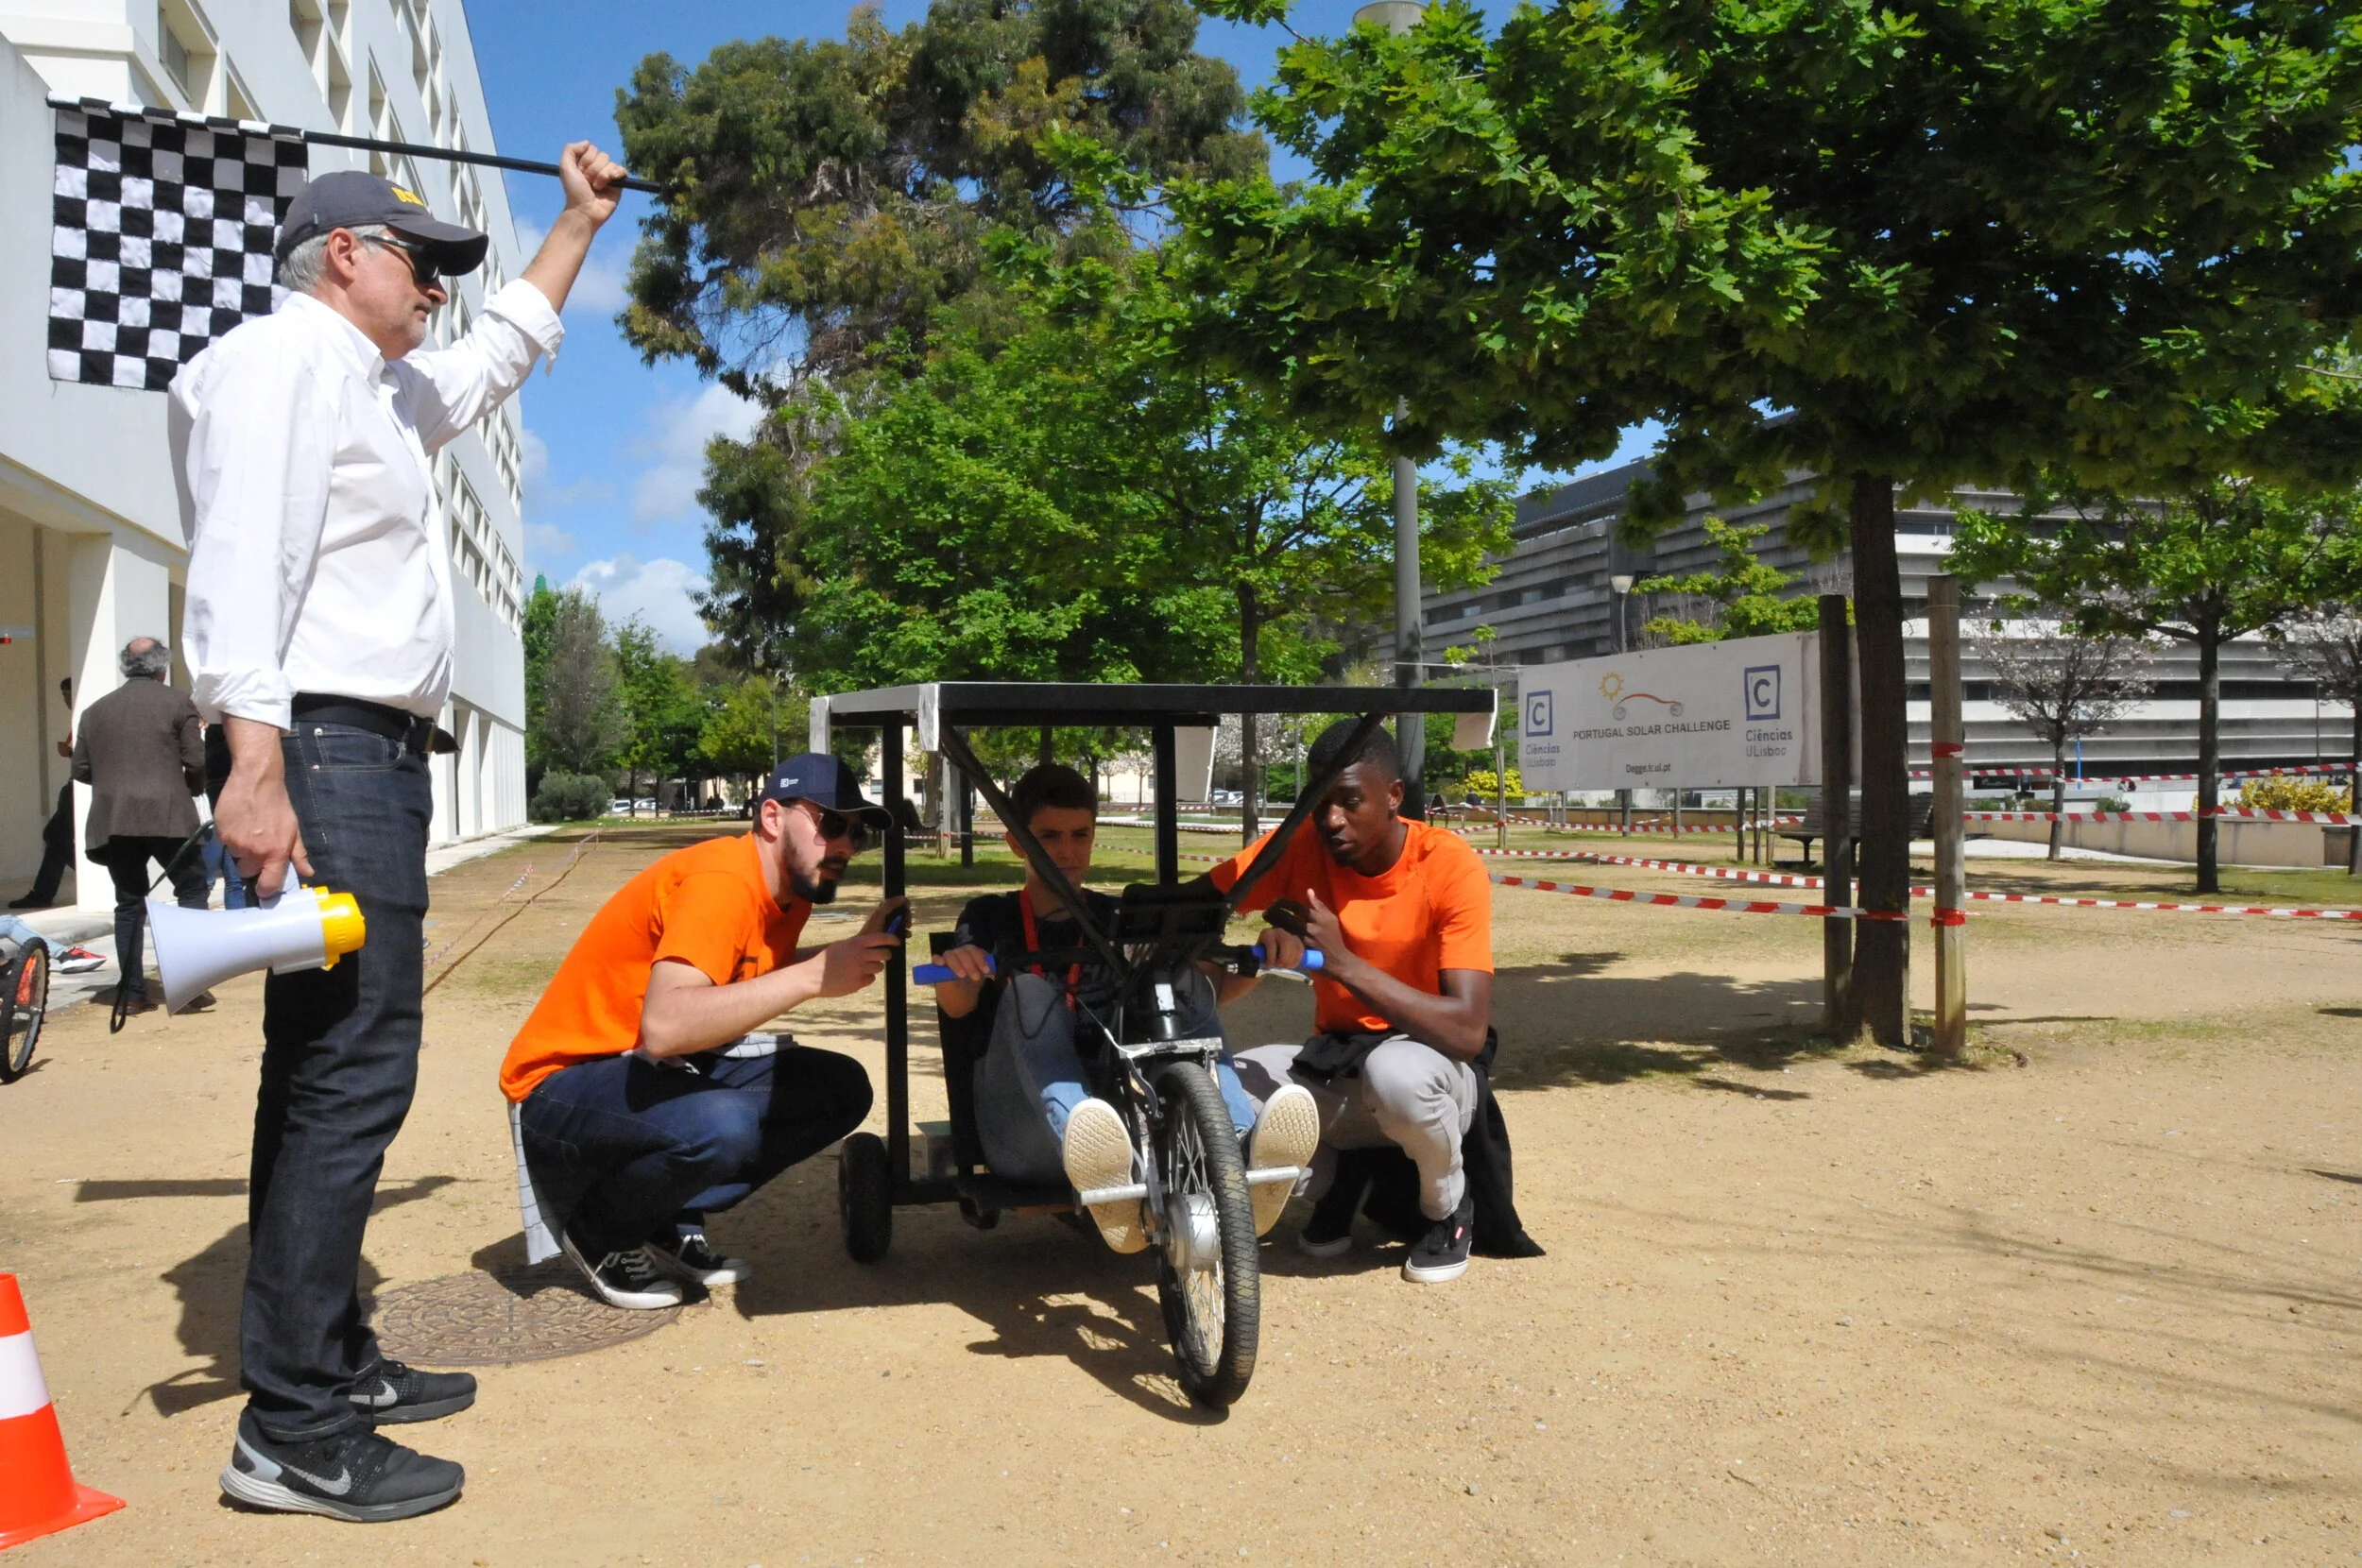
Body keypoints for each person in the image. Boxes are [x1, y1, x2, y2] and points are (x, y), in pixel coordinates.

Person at [181, 149, 626, 1524]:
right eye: (415, 258)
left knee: (324, 1067)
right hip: (317, 745)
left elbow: (502, 356)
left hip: (352, 749)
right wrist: (250, 757)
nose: (437, 283)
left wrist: (574, 225)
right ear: (339, 258)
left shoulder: (368, 383)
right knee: (352, 1078)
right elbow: (242, 556)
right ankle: (295, 1427)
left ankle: (323, 1366)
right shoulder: (281, 362)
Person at [502, 754, 896, 1307]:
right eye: (832, 823)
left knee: (838, 1088)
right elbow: (665, 1028)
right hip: (565, 1085)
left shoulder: (786, 891)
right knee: (722, 1122)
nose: (847, 846)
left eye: (858, 832)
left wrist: (842, 953)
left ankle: (657, 1212)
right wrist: (813, 978)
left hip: (652, 1071)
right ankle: (600, 1231)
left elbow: (740, 972)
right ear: (773, 817)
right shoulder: (722, 884)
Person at [933, 764, 1318, 1252]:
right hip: (1023, 1135)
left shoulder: (1115, 918)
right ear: (1016, 843)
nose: (1067, 851)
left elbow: (1207, 995)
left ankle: (1235, 1149)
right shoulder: (990, 916)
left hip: (1129, 1128)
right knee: (1029, 990)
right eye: (1049, 836)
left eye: (1080, 835)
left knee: (1183, 974)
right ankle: (1093, 1150)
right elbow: (958, 1006)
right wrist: (958, 966)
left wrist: (1263, 957)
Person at [1216, 721, 1495, 1286]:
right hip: (1337, 1060)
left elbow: (1466, 1031)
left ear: (1393, 796)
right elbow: (1206, 897)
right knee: (1229, 1086)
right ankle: (1335, 1183)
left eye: (1348, 802)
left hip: (1431, 1067)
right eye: (1318, 804)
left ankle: (1447, 1211)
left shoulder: (1447, 862)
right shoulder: (1305, 846)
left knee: (1396, 1073)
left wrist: (1342, 962)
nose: (1330, 820)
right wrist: (1254, 950)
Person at [72, 638, 209, 1013]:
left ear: (125, 667)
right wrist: (192, 790)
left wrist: (117, 785)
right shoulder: (179, 702)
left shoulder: (94, 710)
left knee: (130, 902)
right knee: (192, 890)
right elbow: (196, 761)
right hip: (169, 815)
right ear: (161, 668)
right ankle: (191, 985)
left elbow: (80, 770)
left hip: (114, 819)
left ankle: (131, 993)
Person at [9, 678, 76, 910]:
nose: (68, 701)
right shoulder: (79, 717)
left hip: (79, 788)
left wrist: (70, 752)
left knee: (56, 837)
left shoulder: (86, 714)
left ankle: (43, 892)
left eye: (70, 695)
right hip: (73, 787)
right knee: (55, 837)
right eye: (64, 696)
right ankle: (44, 892)